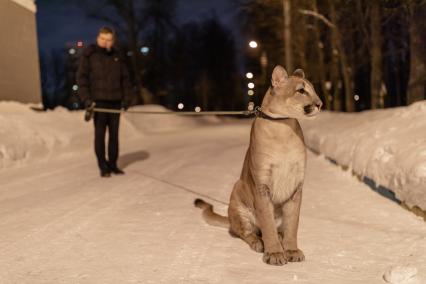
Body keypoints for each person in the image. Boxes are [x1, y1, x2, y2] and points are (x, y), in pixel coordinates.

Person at [77, 26, 133, 177]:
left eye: (108, 39)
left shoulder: (117, 56)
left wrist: (127, 98)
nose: (105, 42)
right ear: (97, 38)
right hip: (98, 103)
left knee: (114, 136)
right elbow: (81, 79)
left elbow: (125, 79)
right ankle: (103, 166)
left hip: (115, 101)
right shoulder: (89, 54)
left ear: (113, 40)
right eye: (102, 39)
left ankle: (113, 165)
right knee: (100, 136)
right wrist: (87, 99)